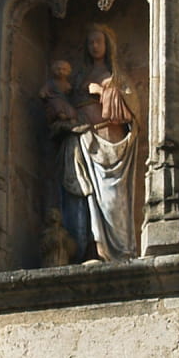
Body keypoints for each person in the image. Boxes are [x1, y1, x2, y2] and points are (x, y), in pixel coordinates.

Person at [43, 24, 139, 262]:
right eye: (90, 43)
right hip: (80, 140)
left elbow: (131, 112)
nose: (94, 46)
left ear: (108, 46)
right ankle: (86, 250)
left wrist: (102, 92)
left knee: (110, 200)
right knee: (81, 197)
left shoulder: (117, 78)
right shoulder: (77, 79)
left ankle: (115, 253)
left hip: (109, 142)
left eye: (99, 42)